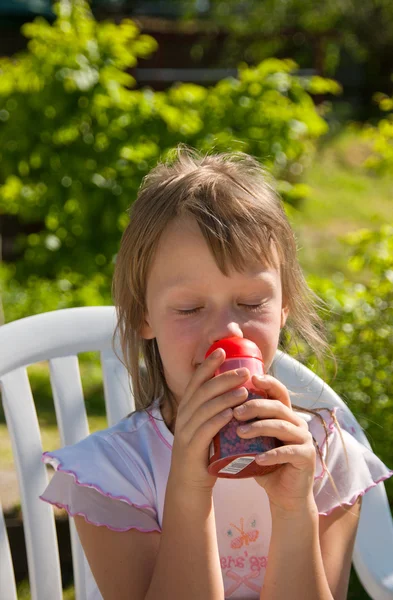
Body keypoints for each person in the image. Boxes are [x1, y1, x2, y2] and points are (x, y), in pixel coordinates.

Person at [40, 146, 393, 600]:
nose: (227, 331)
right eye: (189, 308)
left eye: (251, 304)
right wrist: (188, 490)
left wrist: (293, 511)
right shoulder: (113, 474)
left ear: (284, 307)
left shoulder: (324, 456)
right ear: (143, 316)